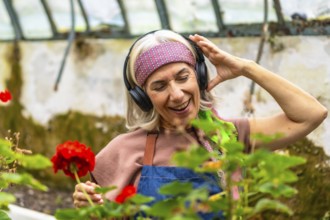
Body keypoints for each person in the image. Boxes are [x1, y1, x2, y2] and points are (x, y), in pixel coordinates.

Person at [72, 29, 327, 217]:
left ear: (200, 76)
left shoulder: (230, 136)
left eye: (183, 77)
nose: (177, 94)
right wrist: (88, 207)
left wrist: (247, 68)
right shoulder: (123, 150)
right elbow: (102, 214)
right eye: (159, 86)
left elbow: (311, 114)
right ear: (143, 98)